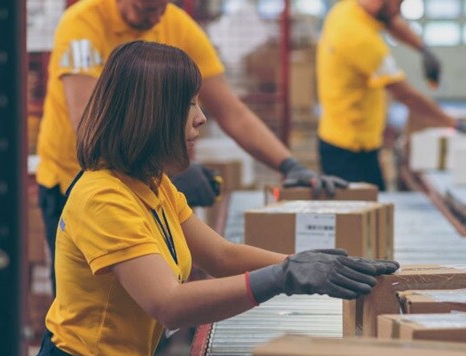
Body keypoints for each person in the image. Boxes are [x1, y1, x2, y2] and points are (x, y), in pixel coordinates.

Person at [27, 40, 400, 356]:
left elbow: (218, 255)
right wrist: (282, 279)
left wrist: (305, 263)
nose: (201, 118)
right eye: (188, 105)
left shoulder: (151, 182)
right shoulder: (103, 198)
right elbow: (168, 305)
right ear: (152, 114)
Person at [35, 0, 350, 291]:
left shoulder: (175, 23)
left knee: (143, 297)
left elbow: (232, 111)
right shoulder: (82, 24)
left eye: (162, 7)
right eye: (146, 9)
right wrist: (280, 277)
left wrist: (289, 165)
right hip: (73, 177)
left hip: (141, 177)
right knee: (99, 293)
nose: (157, 17)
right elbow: (90, 120)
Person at [316, 0, 466, 190]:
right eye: (399, 3)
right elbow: (405, 95)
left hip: (350, 139)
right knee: (366, 211)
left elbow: (391, 21)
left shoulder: (350, 8)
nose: (400, 10)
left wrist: (424, 49)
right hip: (349, 151)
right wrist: (452, 123)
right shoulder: (361, 40)